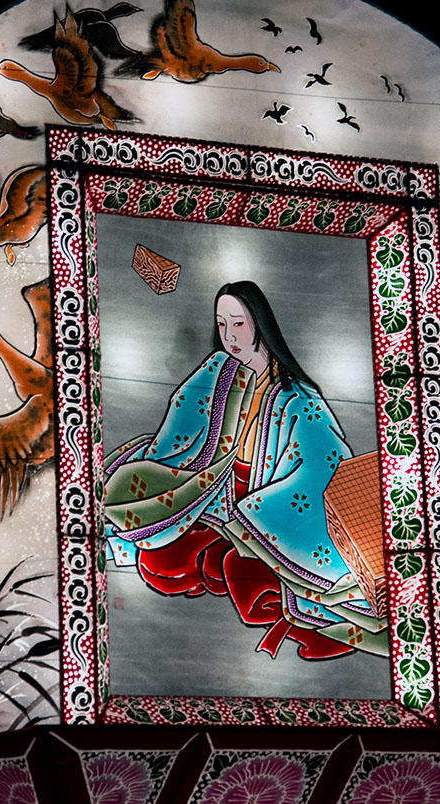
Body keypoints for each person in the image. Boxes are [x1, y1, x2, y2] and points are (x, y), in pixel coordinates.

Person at [103, 281, 384, 660]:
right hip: (211, 499)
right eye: (222, 325)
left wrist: (258, 516)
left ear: (260, 323)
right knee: (158, 562)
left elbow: (324, 468)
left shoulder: (298, 399)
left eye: (238, 323)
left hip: (263, 519)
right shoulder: (217, 374)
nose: (229, 336)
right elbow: (179, 432)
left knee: (242, 578)